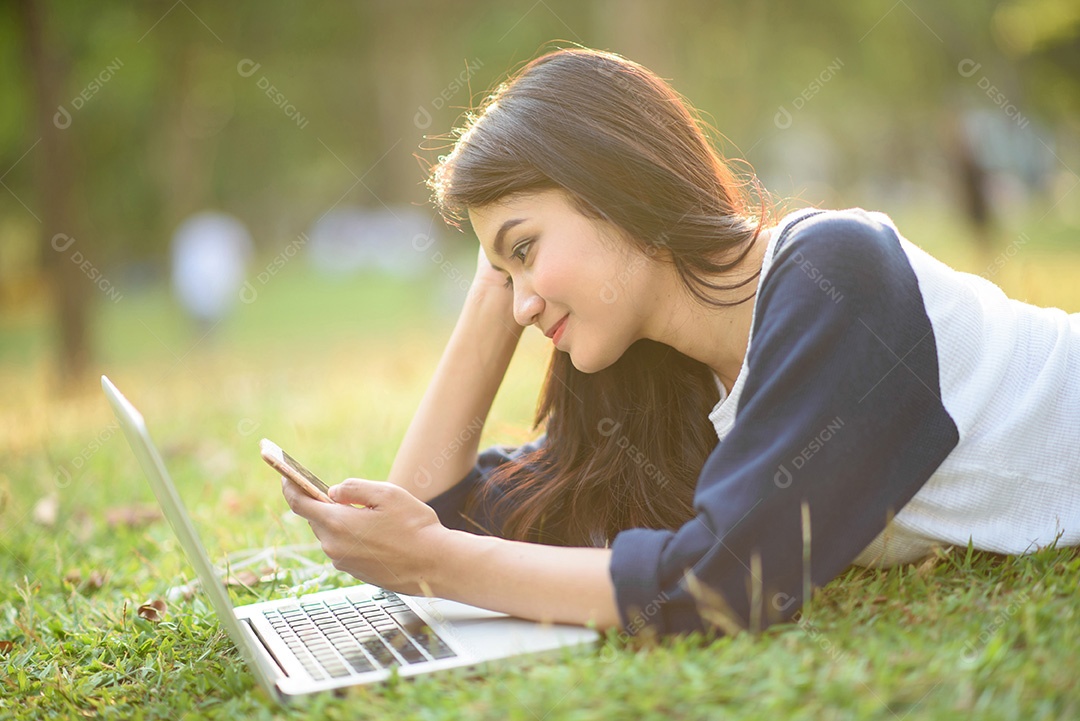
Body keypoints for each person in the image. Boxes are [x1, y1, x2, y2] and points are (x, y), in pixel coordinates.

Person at [280, 48, 1080, 637]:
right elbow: (446, 514)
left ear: (618, 185)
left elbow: (723, 584)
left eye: (525, 250)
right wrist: (498, 278)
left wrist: (434, 558)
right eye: (500, 276)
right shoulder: (665, 371)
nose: (521, 306)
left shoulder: (837, 270)